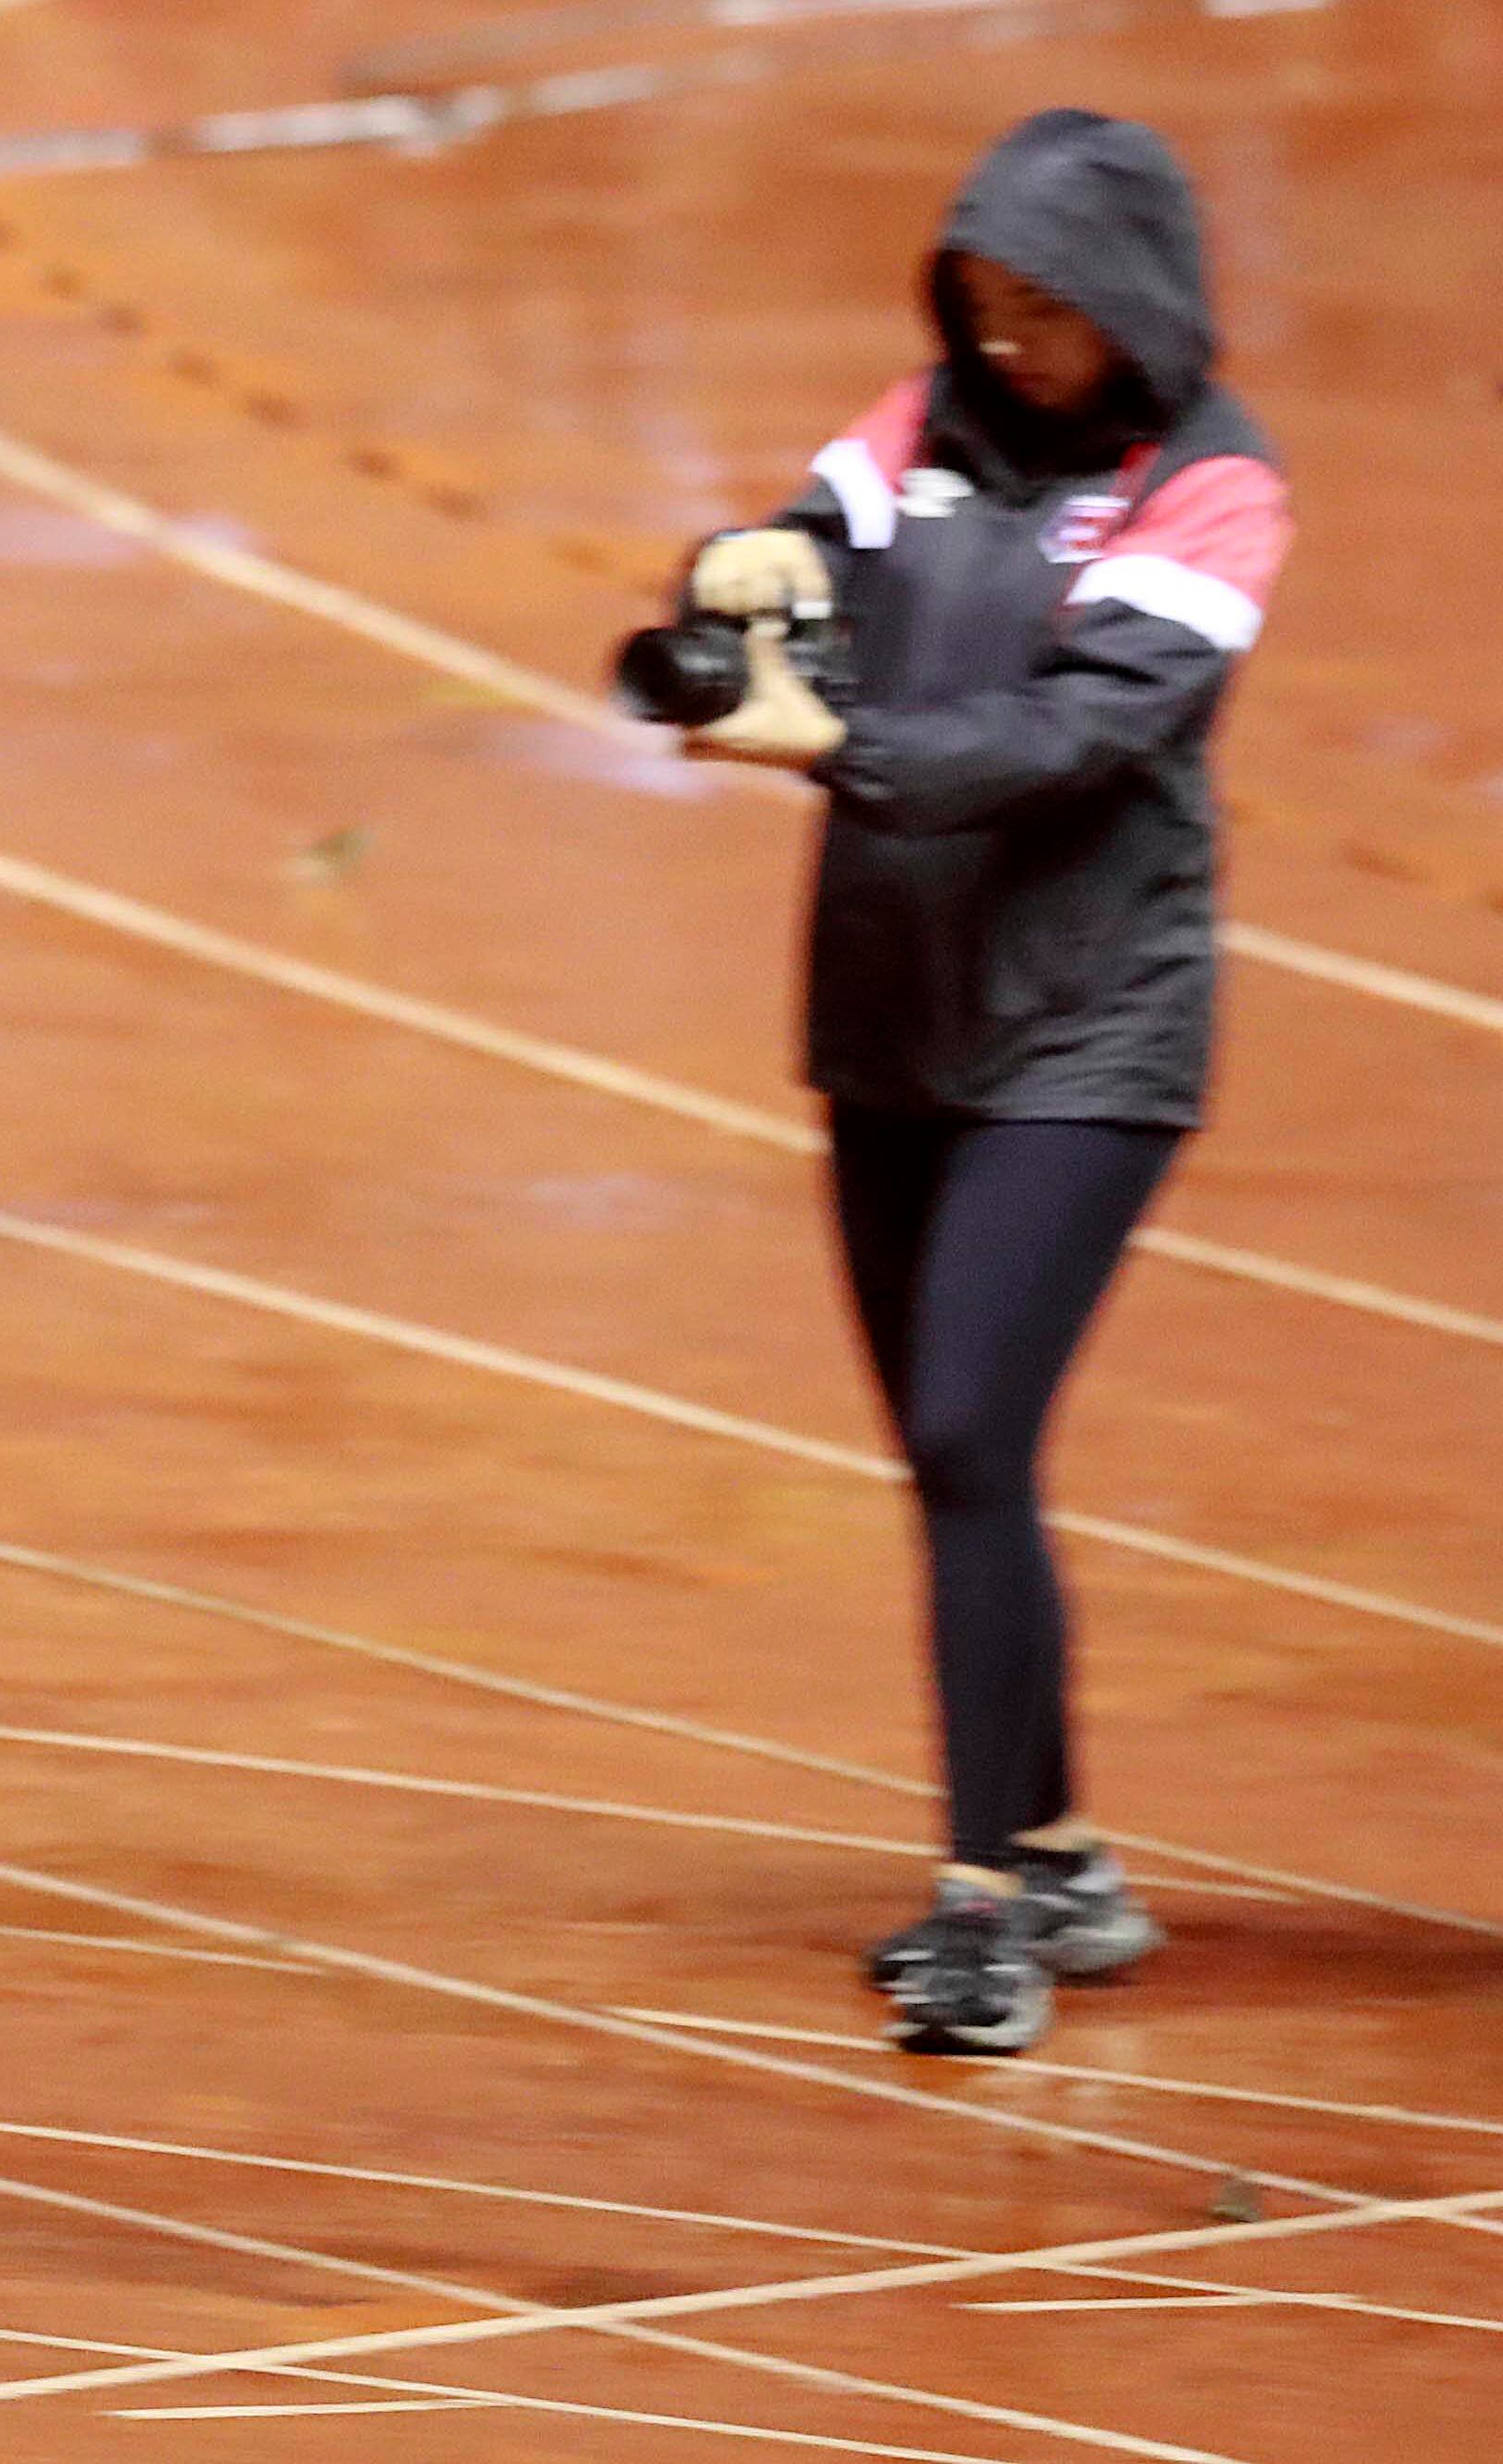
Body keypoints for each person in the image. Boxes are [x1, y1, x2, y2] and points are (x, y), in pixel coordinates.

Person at [676, 111, 1291, 2055]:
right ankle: (1065, 1853)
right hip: (890, 1008)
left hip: (1089, 1022)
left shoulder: (1209, 486)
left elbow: (1077, 731)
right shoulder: (913, 428)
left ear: (1134, 306)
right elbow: (790, 567)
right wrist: (737, 571)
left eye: (1051, 315)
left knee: (961, 1427)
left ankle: (978, 1910)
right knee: (964, 1464)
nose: (1013, 347)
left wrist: (831, 740)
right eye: (987, 307)